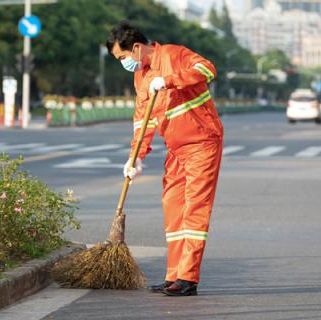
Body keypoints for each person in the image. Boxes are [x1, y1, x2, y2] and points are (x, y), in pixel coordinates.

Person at [106, 21, 224, 296]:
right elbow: (142, 122)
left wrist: (170, 80)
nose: (123, 63)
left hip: (202, 142)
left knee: (194, 209)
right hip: (176, 149)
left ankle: (188, 278)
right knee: (173, 209)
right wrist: (135, 158)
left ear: (136, 48)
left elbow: (207, 69)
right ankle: (175, 275)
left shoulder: (173, 55)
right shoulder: (141, 77)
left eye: (122, 58)